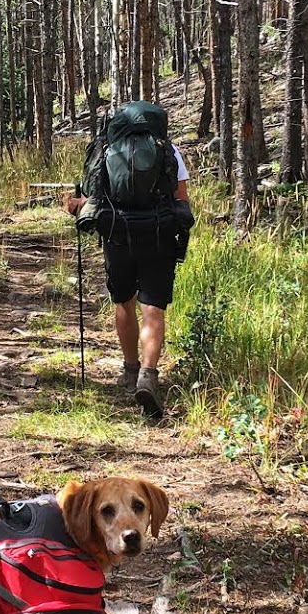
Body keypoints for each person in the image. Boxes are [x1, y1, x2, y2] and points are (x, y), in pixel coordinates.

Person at [64, 100, 192, 419]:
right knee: (154, 308)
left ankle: (130, 370)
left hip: (118, 234)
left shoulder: (106, 148)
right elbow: (181, 199)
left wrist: (73, 204)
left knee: (124, 303)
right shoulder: (168, 150)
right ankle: (149, 375)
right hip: (159, 235)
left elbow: (90, 200)